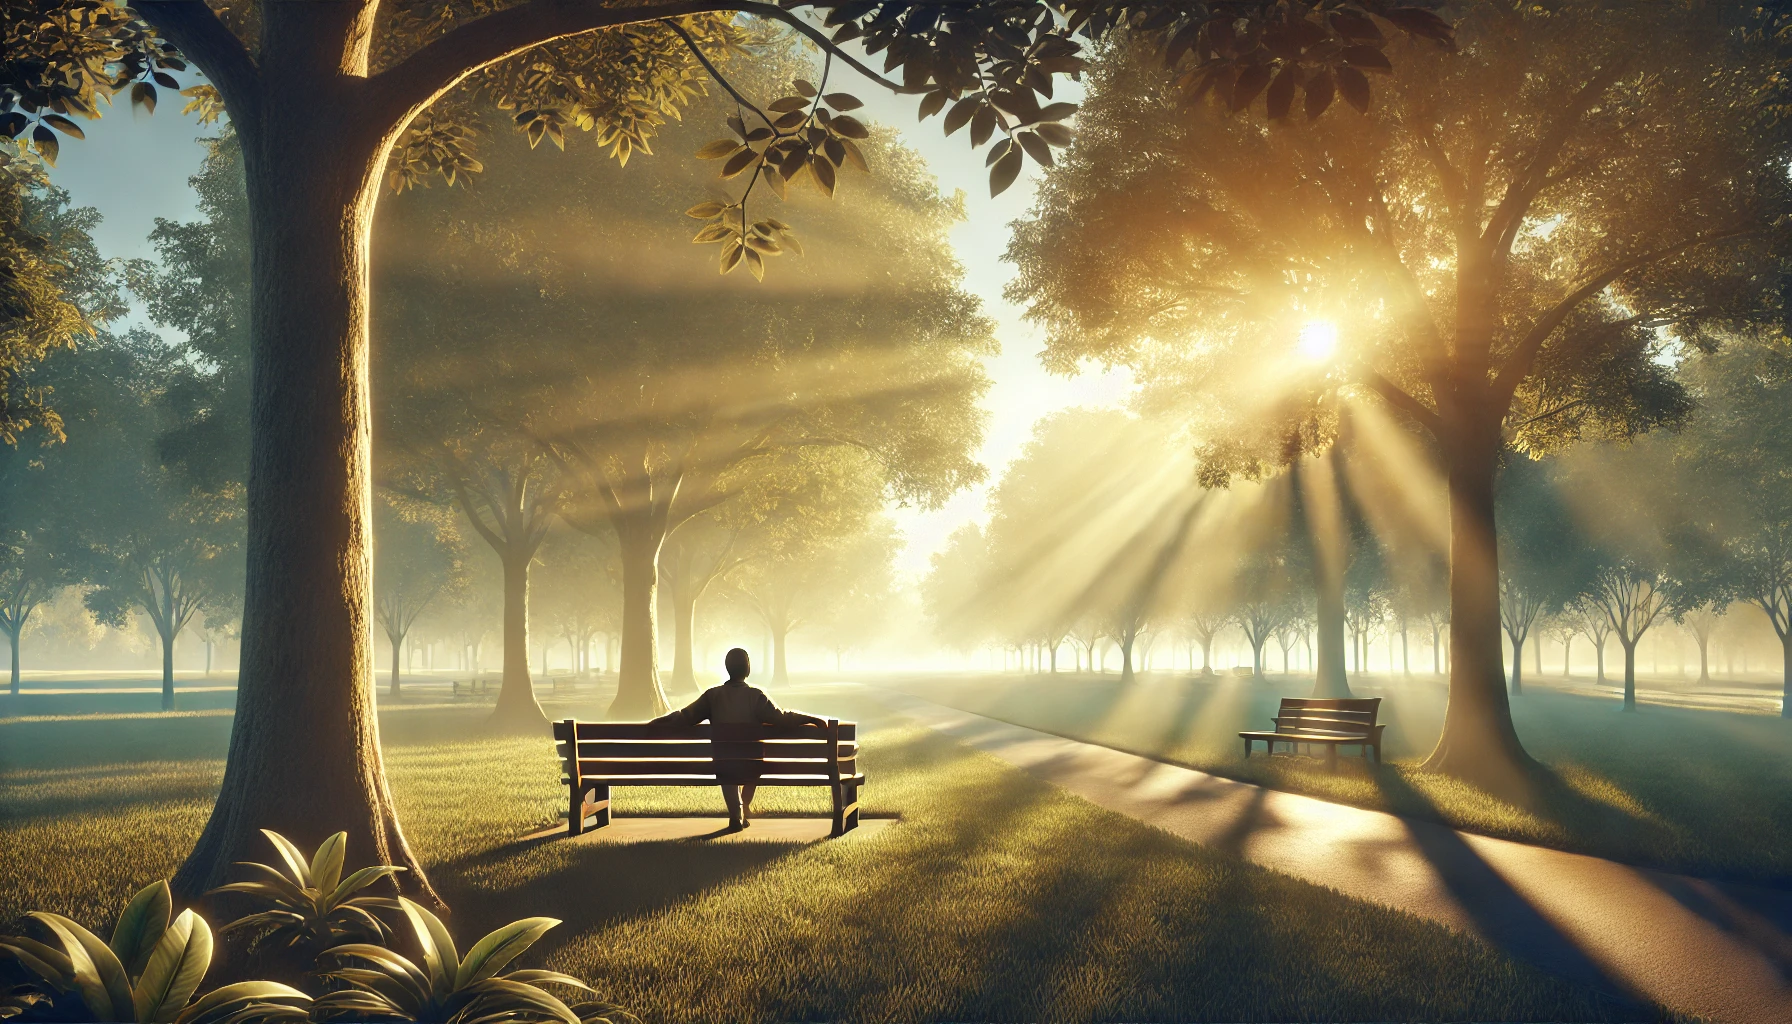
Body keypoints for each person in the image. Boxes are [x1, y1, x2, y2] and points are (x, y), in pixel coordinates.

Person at [649, 647, 826, 829]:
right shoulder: (756, 696)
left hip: (724, 764)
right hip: (752, 764)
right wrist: (810, 719)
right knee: (750, 759)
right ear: (748, 670)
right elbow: (781, 718)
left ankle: (736, 813)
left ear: (727, 668)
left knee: (727, 764)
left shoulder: (712, 696)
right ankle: (743, 808)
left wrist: (656, 722)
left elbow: (684, 717)